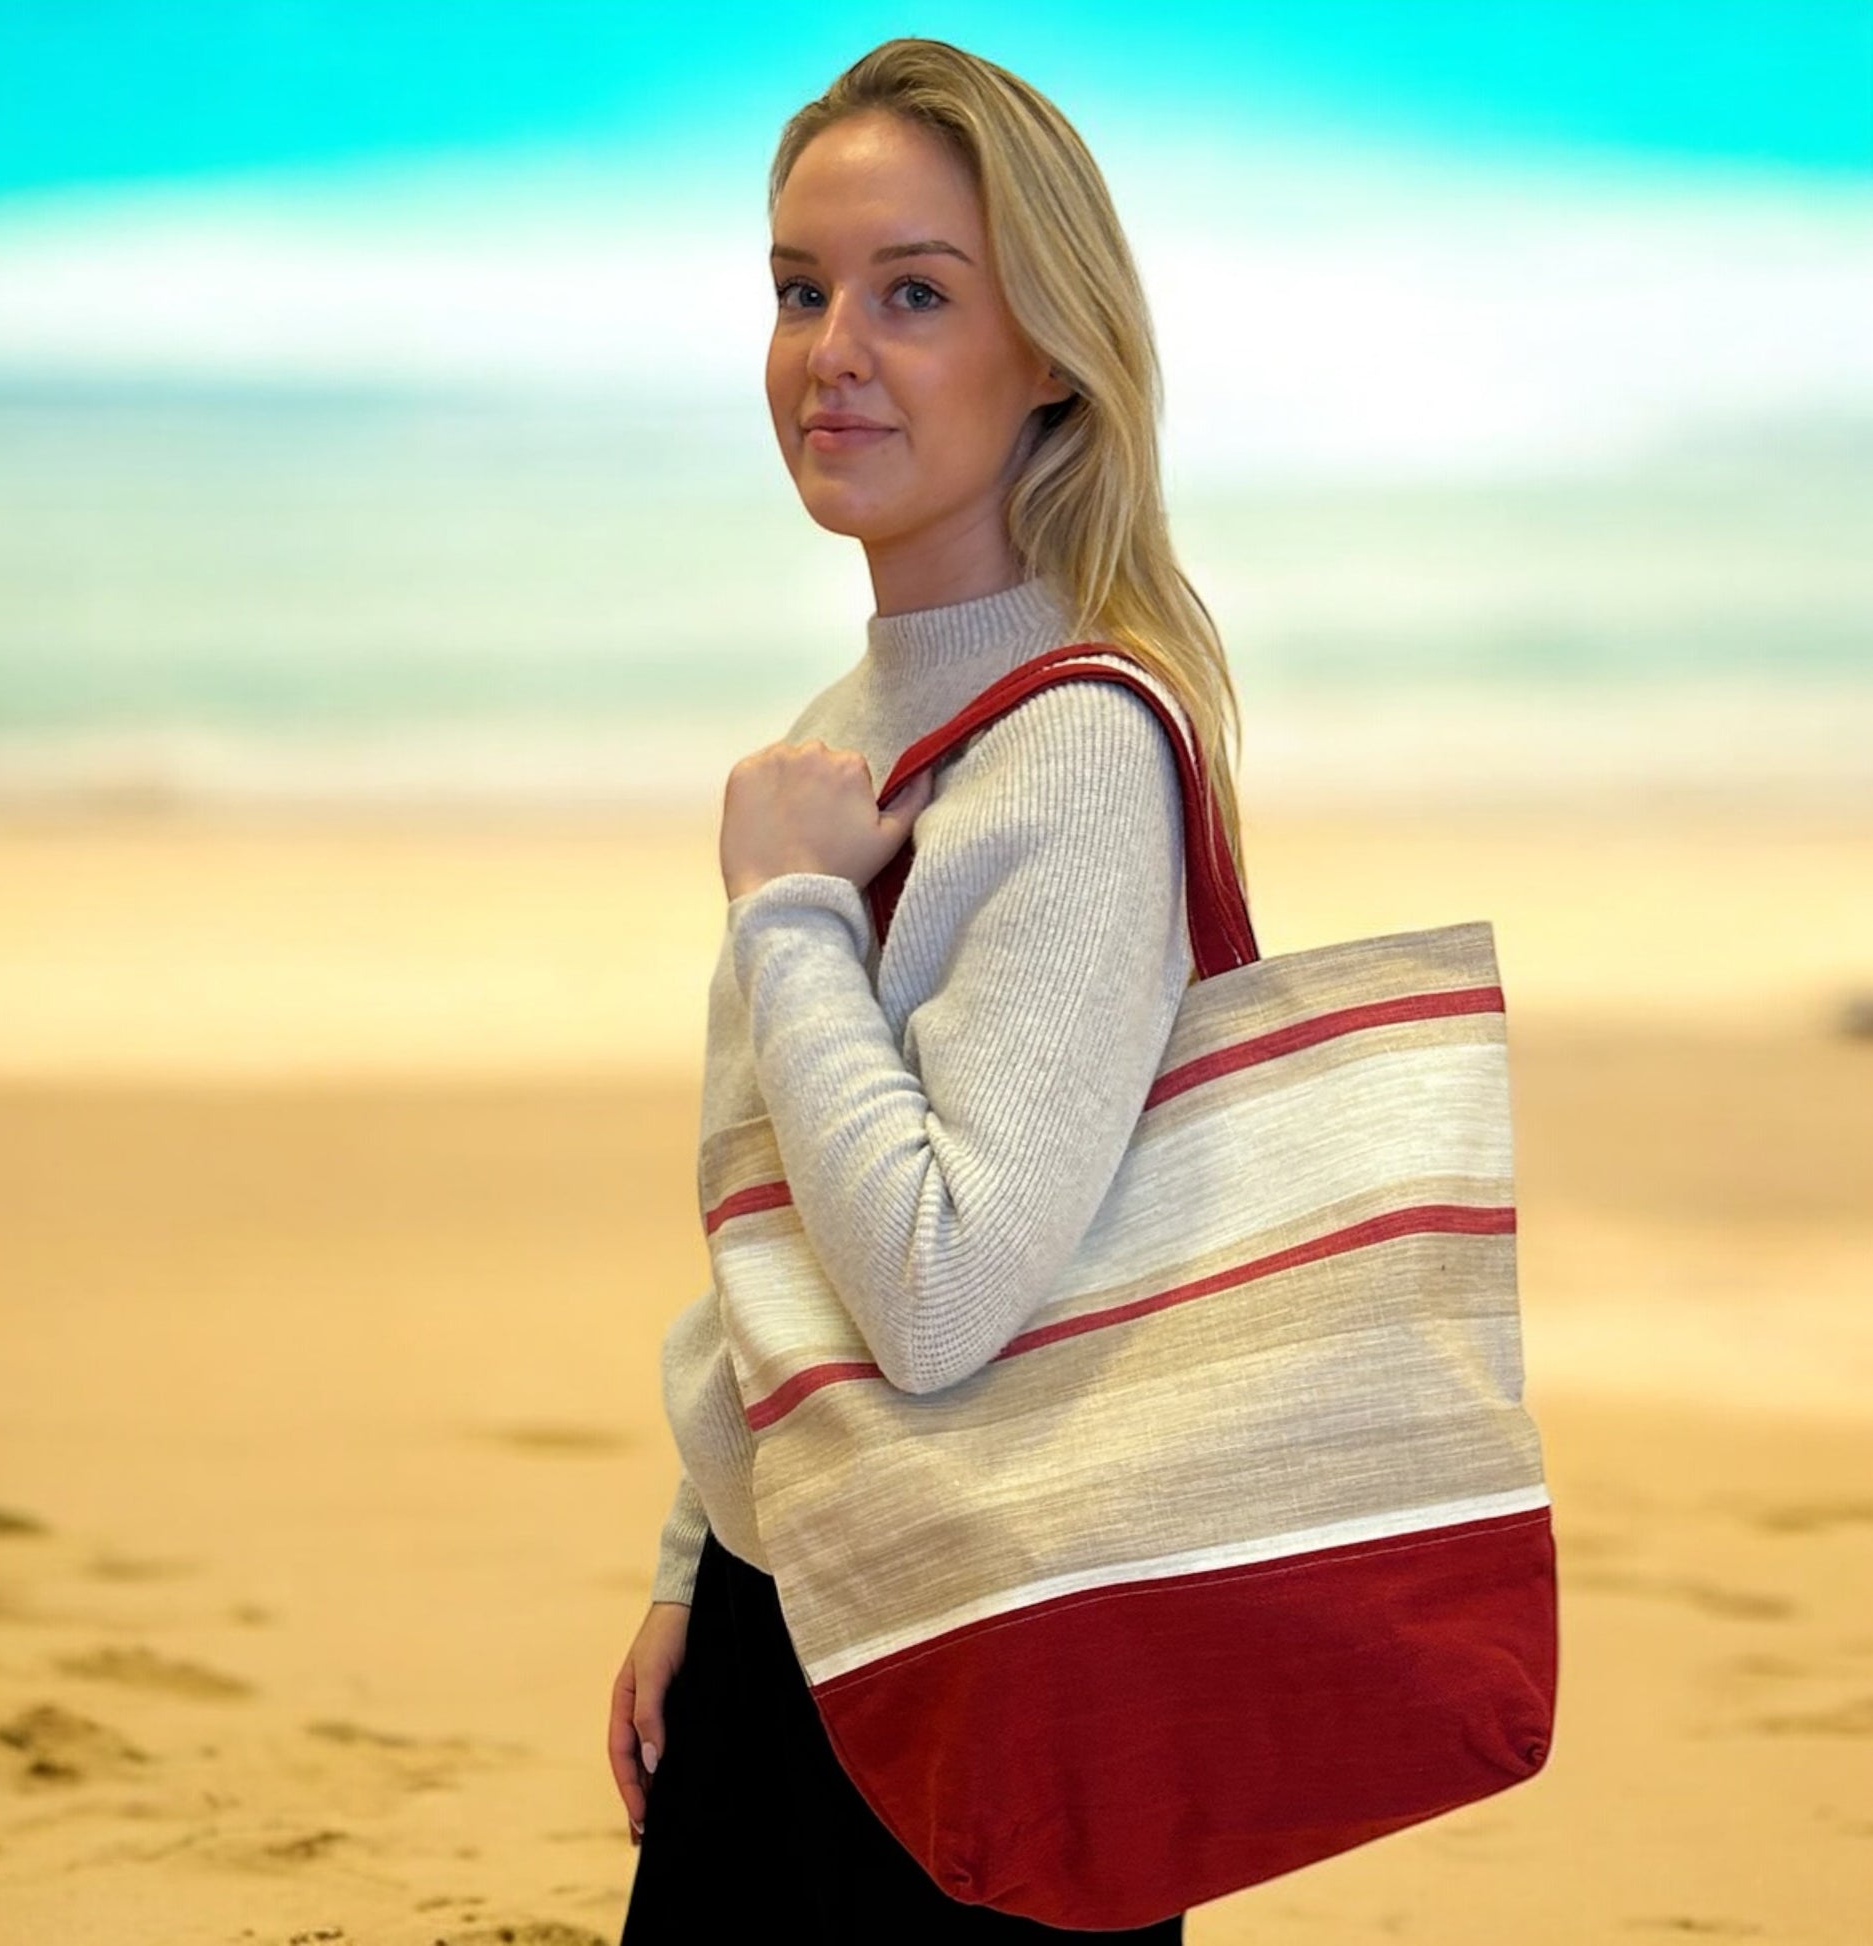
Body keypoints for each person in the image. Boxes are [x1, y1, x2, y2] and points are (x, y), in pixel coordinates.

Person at [608, 36, 1251, 1943]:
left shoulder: (1070, 749)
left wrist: (788, 914)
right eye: (799, 291)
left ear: (1048, 350)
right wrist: (688, 1559)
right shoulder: (844, 737)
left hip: (967, 1656)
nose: (833, 352)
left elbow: (943, 1288)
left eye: (912, 294)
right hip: (794, 1604)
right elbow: (782, 1219)